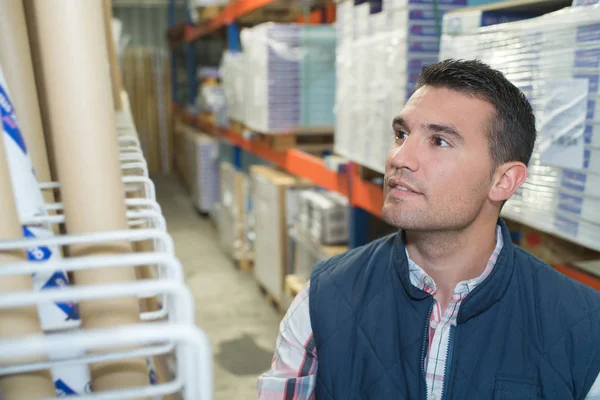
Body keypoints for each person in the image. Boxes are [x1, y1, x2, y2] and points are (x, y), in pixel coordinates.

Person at [257, 59, 600, 400]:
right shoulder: (322, 301)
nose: (400, 157)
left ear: (503, 180)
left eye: (439, 141)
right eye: (401, 134)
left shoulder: (583, 328)